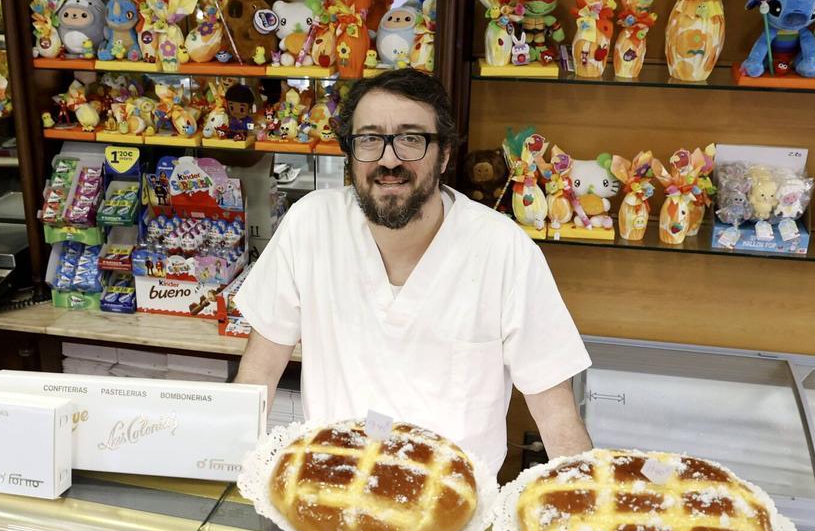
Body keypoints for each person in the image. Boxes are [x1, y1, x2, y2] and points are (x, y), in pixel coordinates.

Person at [233, 68, 592, 474]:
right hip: (332, 489)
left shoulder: (504, 249)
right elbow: (260, 371)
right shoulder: (311, 224)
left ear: (444, 156)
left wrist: (587, 506)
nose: (388, 159)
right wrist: (231, 472)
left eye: (411, 139)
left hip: (454, 507)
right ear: (350, 153)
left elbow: (556, 414)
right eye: (369, 139)